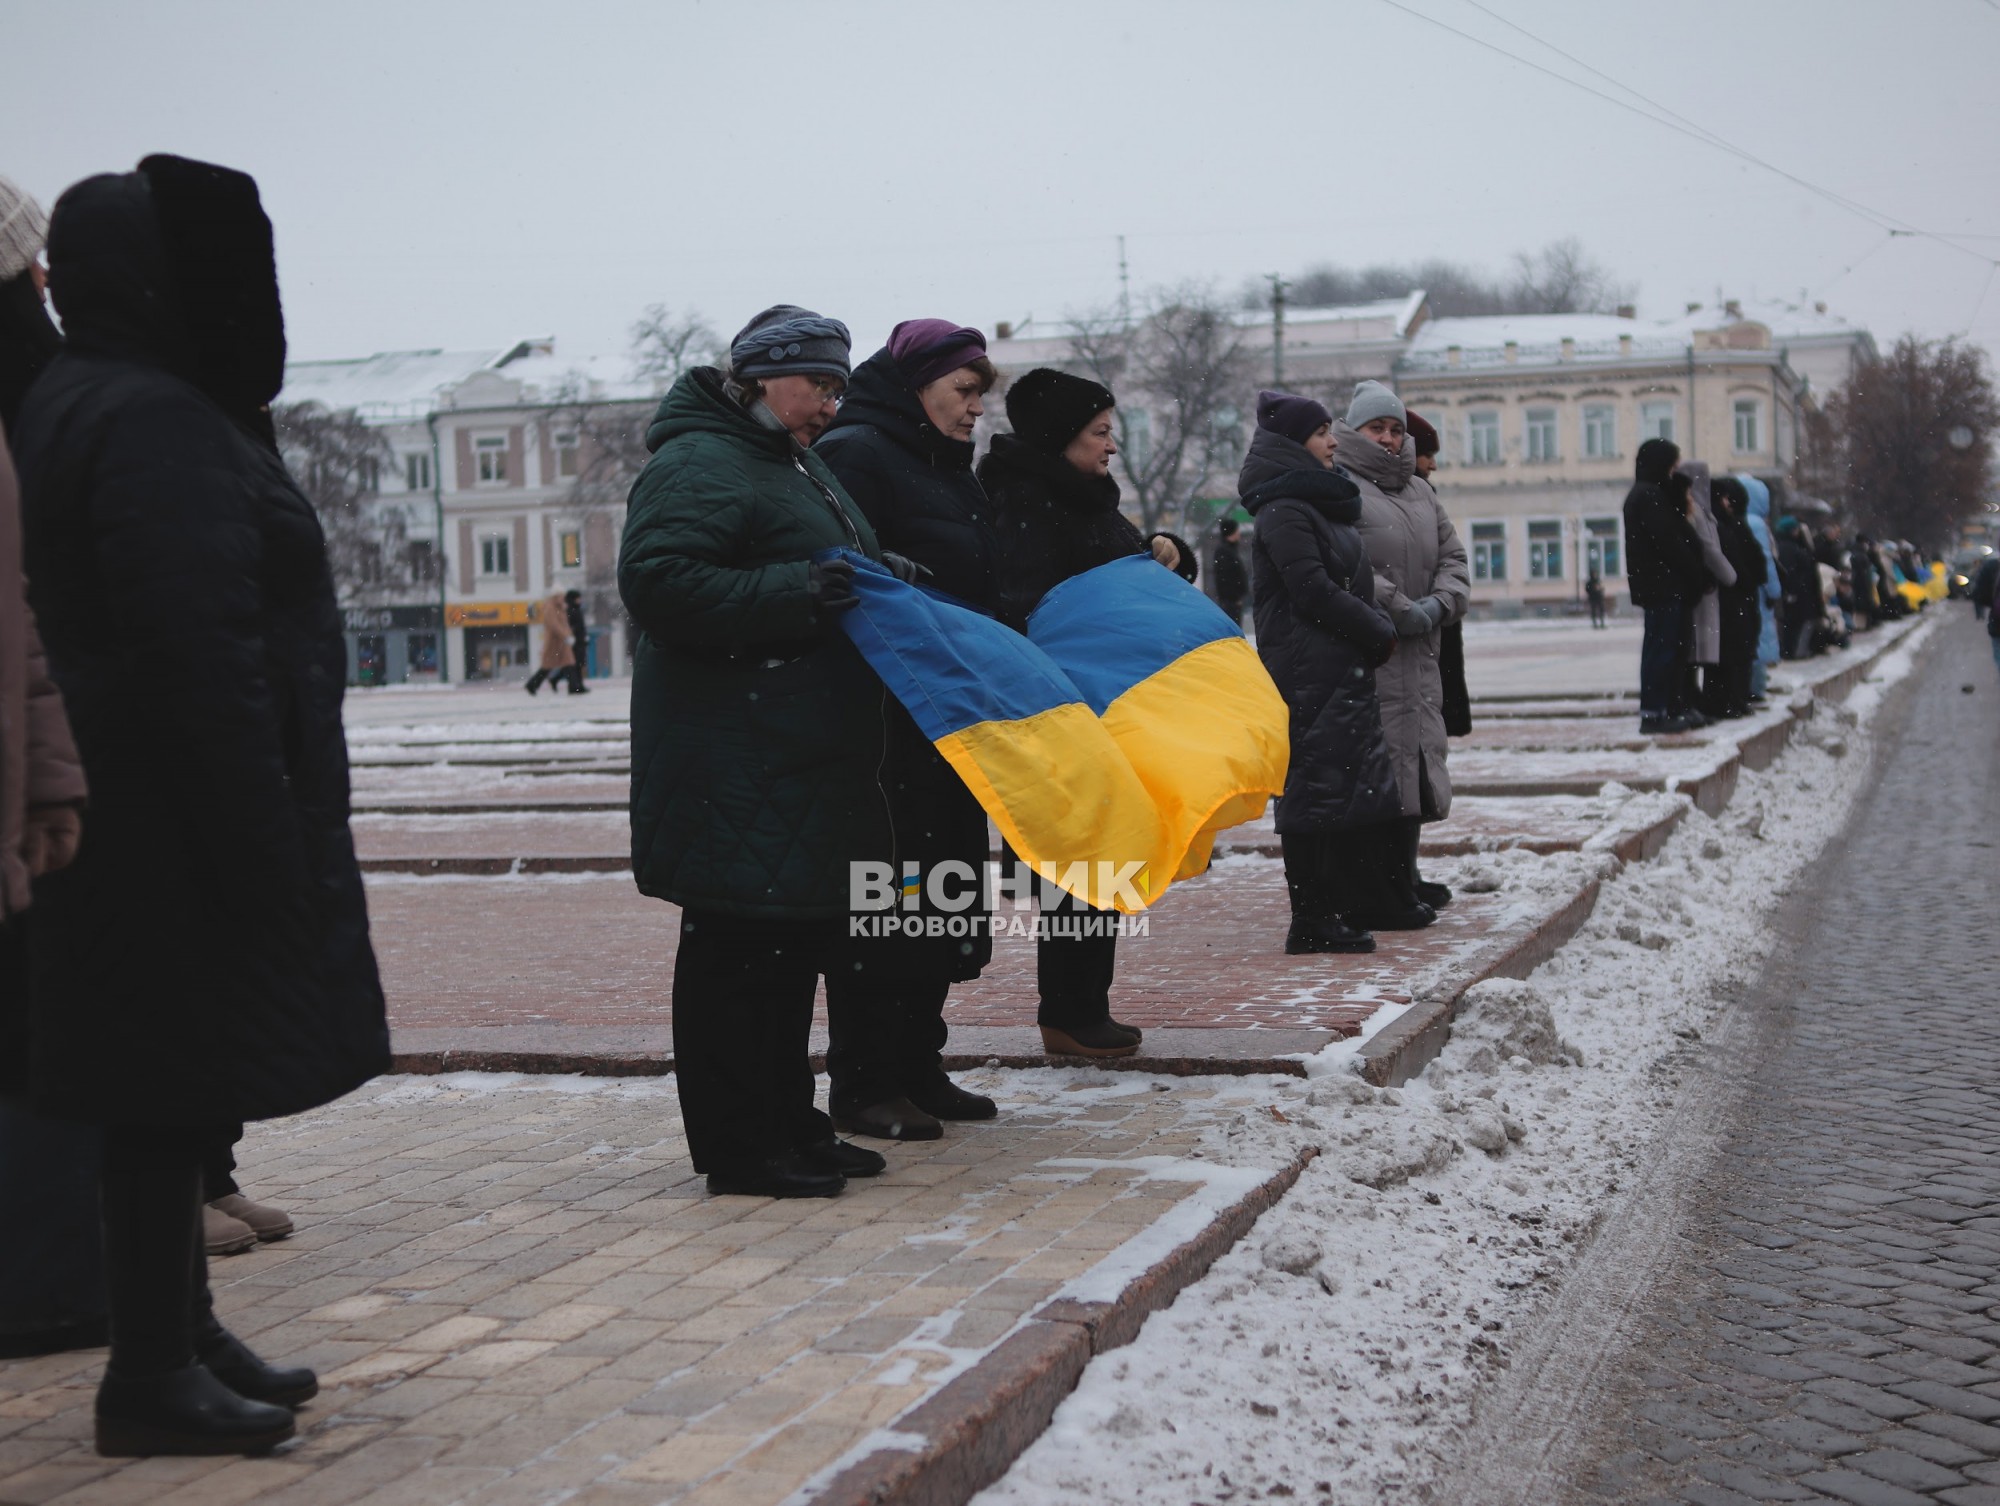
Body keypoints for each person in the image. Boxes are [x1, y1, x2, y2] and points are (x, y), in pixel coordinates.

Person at [14, 155, 390, 1455]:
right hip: (168, 812)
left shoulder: (98, 396)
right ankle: (153, 1375)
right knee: (158, 1088)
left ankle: (181, 1332)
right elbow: (197, 642)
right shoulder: (150, 417)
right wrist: (259, 829)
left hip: (137, 803)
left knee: (158, 1091)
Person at [619, 303, 891, 1199]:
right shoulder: (700, 459)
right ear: (760, 376)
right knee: (739, 962)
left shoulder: (786, 460)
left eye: (840, 387)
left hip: (787, 755)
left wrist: (886, 584)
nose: (830, 404)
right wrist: (801, 589)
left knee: (787, 956)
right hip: (730, 760)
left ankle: (790, 1124)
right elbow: (660, 582)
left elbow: (830, 565)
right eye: (818, 383)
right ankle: (742, 1148)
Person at [813, 319, 1000, 1139]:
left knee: (942, 901)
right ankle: (863, 1082)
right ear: (917, 385)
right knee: (888, 905)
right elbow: (852, 575)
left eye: (981, 397)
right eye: (964, 392)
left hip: (950, 717)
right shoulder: (860, 454)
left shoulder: (949, 468)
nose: (974, 411)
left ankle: (920, 1064)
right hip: (890, 725)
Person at [979, 367, 1196, 1055]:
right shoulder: (1023, 501)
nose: (1111, 447)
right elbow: (1029, 605)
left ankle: (1081, 1007)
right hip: (1063, 708)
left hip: (1103, 703)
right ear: (1060, 437)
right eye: (1100, 433)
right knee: (1077, 862)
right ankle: (1070, 1012)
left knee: (1101, 854)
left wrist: (1167, 552)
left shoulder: (1083, 496)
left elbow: (1124, 571)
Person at [1238, 390, 1408, 953]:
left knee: (1338, 788)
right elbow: (1311, 590)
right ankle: (1309, 919)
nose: (1333, 441)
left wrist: (1365, 631)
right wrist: (1375, 626)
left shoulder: (1313, 503)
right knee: (1312, 791)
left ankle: (1332, 908)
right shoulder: (1285, 509)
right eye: (1320, 435)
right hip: (1308, 672)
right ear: (1293, 446)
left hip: (1334, 666)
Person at [1341, 381, 1469, 921]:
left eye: (1396, 429)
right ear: (1354, 430)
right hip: (1376, 645)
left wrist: (1439, 605)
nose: (1390, 438)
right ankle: (1378, 890)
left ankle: (1405, 878)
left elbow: (1455, 559)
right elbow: (1348, 563)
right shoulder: (1342, 487)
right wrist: (1401, 608)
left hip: (1422, 649)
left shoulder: (1420, 492)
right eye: (1377, 428)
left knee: (1416, 760)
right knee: (1381, 764)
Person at [1622, 440, 1708, 733]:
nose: (1674, 472)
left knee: (1668, 649)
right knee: (1662, 651)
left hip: (1662, 586)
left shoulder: (1649, 494)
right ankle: (1655, 713)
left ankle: (1667, 707)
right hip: (1661, 587)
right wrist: (1694, 571)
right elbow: (1669, 543)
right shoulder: (1648, 496)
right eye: (1672, 466)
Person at [1408, 410, 1471, 739]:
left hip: (1434, 612)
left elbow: (1452, 555)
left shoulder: (1424, 495)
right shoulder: (1413, 496)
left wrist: (1446, 596)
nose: (1432, 464)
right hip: (1421, 620)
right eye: (1427, 455)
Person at [1677, 462, 1736, 723]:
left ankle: (1695, 702)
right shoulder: (1697, 512)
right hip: (1702, 590)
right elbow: (1709, 549)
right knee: (1694, 651)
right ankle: (1693, 702)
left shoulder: (1700, 510)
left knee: (1696, 650)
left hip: (1704, 589)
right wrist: (1729, 574)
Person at [1708, 478, 1768, 719]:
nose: (1726, 502)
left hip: (1737, 598)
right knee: (1734, 651)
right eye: (1723, 498)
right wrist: (1747, 580)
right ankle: (1731, 700)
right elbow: (1741, 565)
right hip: (1732, 599)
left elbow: (1754, 562)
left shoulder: (1734, 525)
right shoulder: (1726, 527)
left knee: (1740, 649)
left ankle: (1735, 699)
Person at [1736, 476, 1783, 702]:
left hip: (1741, 590)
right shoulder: (1756, 524)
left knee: (1746, 638)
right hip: (1757, 592)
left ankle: (1748, 685)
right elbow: (1765, 561)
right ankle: (1756, 686)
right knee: (1759, 637)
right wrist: (1774, 590)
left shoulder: (1733, 519)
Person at [1775, 515, 1824, 659]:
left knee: (1791, 625)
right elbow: (1795, 571)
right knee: (1798, 624)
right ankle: (1796, 651)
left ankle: (1791, 651)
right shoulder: (1793, 548)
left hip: (1795, 595)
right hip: (1799, 595)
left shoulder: (1784, 546)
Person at [523, 589, 572, 694]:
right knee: (548, 666)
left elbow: (563, 624)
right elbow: (554, 625)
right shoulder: (550, 608)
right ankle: (532, 684)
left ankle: (574, 685)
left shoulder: (559, 607)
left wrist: (567, 634)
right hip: (554, 642)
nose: (563, 598)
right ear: (556, 596)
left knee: (568, 663)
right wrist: (565, 635)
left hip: (560, 641)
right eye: (561, 596)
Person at [1211, 517, 1249, 627]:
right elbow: (1225, 578)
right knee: (1233, 630)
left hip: (1232, 601)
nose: (1239, 533)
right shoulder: (1224, 551)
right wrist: (1234, 597)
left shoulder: (1229, 550)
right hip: (1231, 602)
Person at [561, 589, 590, 692]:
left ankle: (578, 685)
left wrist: (584, 637)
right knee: (575, 665)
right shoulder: (571, 610)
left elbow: (580, 626)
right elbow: (571, 627)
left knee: (579, 665)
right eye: (578, 598)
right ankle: (575, 686)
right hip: (575, 643)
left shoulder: (576, 610)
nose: (580, 600)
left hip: (579, 641)